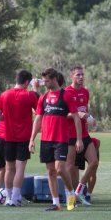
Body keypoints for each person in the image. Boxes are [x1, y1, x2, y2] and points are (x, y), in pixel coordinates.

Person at [29, 68, 84, 211]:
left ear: (54, 79)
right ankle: (56, 204)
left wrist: (79, 139)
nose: (45, 83)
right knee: (51, 171)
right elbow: (38, 119)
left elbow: (77, 119)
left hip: (61, 139)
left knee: (60, 169)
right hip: (46, 139)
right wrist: (32, 139)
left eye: (47, 80)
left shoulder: (66, 96)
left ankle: (71, 195)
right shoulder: (43, 97)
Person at [0, 70, 38, 207]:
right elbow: (38, 112)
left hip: (8, 136)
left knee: (9, 169)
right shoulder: (29, 95)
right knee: (20, 169)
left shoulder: (4, 95)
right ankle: (15, 198)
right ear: (27, 82)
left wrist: (8, 119)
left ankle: (8, 198)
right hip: (24, 136)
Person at [65, 65, 99, 205]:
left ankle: (79, 189)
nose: (81, 77)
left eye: (82, 74)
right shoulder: (66, 92)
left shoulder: (85, 92)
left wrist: (90, 118)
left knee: (94, 162)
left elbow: (85, 110)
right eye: (78, 75)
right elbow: (63, 114)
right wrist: (77, 114)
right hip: (70, 135)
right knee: (70, 167)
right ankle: (72, 197)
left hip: (84, 134)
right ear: (71, 76)